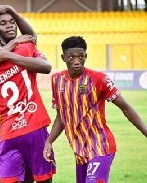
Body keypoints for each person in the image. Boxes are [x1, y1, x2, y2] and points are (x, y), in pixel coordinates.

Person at [43, 36, 147, 183]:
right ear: (63, 57)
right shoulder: (57, 80)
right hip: (79, 149)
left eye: (81, 56)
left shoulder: (98, 79)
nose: (77, 61)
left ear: (86, 56)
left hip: (101, 146)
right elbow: (62, 115)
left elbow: (126, 108)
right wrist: (49, 141)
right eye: (71, 57)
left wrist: (145, 131)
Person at [0, 5, 49, 183]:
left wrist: (12, 10)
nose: (10, 26)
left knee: (27, 177)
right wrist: (11, 46)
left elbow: (36, 46)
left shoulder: (25, 47)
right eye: (3, 23)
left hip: (25, 126)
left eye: (12, 22)